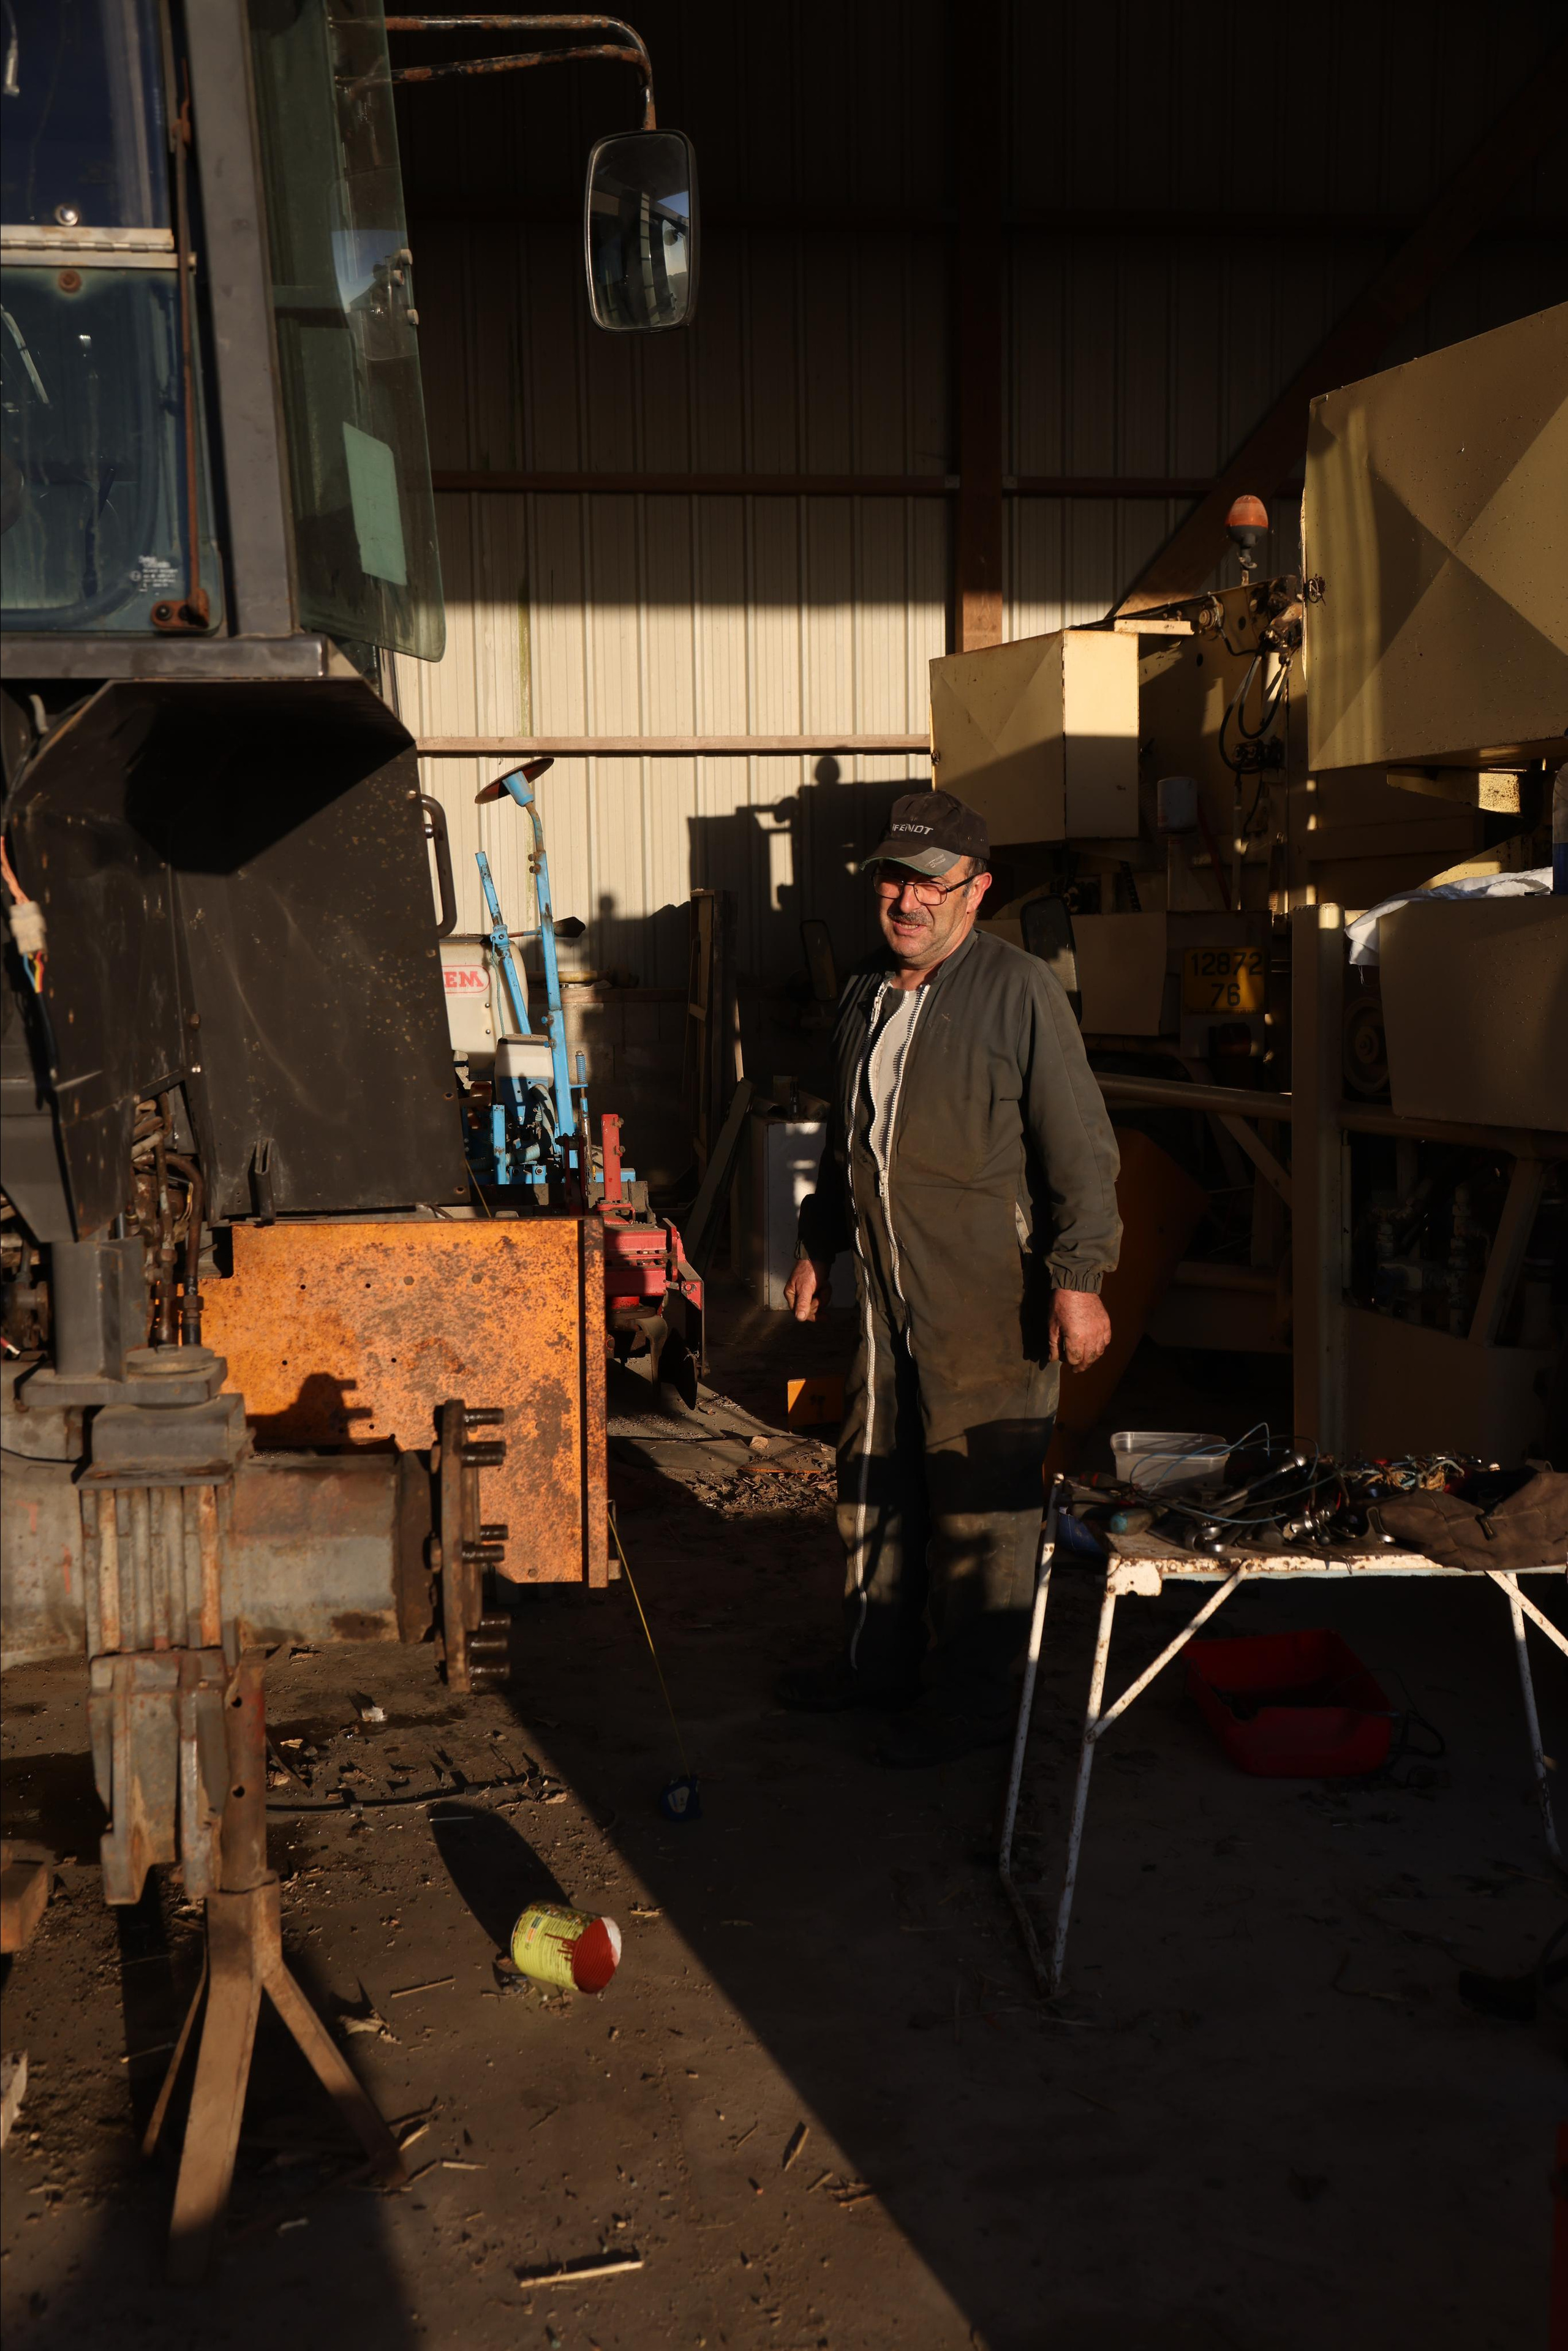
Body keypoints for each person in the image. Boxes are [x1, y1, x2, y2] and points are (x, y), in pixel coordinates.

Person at [779, 790, 1121, 1767]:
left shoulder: (1018, 991)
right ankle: (872, 1666)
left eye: (930, 882)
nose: (908, 899)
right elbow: (849, 1145)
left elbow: (1082, 1151)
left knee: (982, 1509)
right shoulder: (862, 994)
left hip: (986, 1302)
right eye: (894, 878)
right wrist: (820, 1241)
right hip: (887, 1305)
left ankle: (972, 1713)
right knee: (873, 1484)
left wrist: (1080, 1275)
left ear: (976, 891)